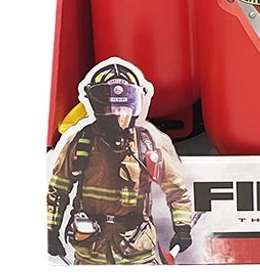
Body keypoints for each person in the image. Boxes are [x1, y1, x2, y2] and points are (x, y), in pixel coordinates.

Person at [47, 62, 194, 265]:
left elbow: (176, 190)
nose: (118, 117)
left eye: (123, 110)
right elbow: (58, 188)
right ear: (98, 107)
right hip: (91, 254)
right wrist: (50, 229)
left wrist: (182, 227)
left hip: (136, 255)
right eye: (111, 110)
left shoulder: (148, 144)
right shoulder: (82, 142)